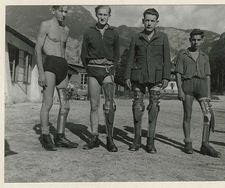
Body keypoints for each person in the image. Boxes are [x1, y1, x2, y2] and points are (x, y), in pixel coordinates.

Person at [125, 8, 171, 154]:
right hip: (138, 76)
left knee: (154, 108)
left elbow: (167, 59)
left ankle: (150, 142)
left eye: (152, 20)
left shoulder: (163, 37)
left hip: (156, 77)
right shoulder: (136, 37)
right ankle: (136, 140)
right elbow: (130, 58)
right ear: (143, 21)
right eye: (147, 20)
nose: (149, 23)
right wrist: (127, 76)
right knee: (137, 107)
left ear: (157, 22)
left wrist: (166, 77)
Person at [35, 5, 78, 151]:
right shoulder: (45, 25)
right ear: (53, 10)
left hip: (62, 66)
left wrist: (66, 69)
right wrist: (41, 72)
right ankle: (45, 136)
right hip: (50, 65)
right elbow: (37, 48)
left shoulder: (66, 30)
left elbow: (63, 50)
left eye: (66, 11)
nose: (64, 14)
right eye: (61, 10)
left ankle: (60, 137)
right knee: (48, 103)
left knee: (66, 105)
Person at [175, 29, 221, 157]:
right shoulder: (183, 54)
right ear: (190, 40)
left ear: (202, 40)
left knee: (208, 115)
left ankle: (205, 144)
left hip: (202, 87)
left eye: (198, 40)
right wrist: (180, 90)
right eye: (193, 39)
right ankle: (188, 142)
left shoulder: (205, 56)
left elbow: (207, 76)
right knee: (187, 115)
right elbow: (178, 73)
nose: (196, 42)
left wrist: (208, 93)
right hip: (188, 85)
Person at [81, 5, 119, 152]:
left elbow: (117, 55)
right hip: (93, 71)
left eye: (105, 15)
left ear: (109, 15)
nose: (102, 17)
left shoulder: (114, 33)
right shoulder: (89, 32)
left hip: (107, 71)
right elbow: (84, 53)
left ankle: (110, 139)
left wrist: (113, 68)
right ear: (96, 15)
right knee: (94, 105)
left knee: (109, 105)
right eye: (100, 14)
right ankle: (94, 137)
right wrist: (89, 68)